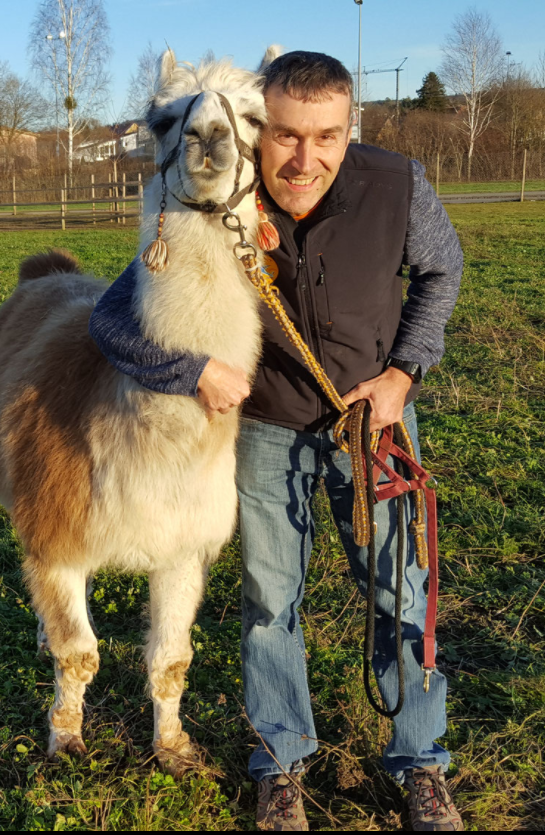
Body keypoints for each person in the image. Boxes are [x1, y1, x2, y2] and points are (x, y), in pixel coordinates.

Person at [89, 51, 464, 832]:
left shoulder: (397, 186)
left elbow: (443, 271)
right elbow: (112, 320)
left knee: (401, 589)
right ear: (262, 131)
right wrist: (191, 369)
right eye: (286, 135)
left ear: (349, 128)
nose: (304, 158)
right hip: (267, 425)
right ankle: (281, 763)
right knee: (268, 602)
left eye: (327, 136)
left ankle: (422, 763)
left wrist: (403, 373)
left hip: (374, 425)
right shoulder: (223, 198)